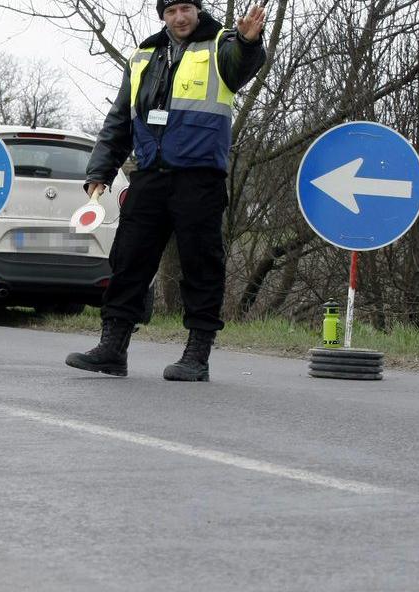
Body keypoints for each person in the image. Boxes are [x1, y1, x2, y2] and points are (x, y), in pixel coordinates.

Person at [65, 0, 267, 382]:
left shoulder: (221, 44)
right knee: (128, 261)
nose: (180, 17)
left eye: (186, 8)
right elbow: (120, 119)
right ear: (163, 16)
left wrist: (248, 42)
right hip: (149, 175)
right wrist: (100, 172)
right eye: (172, 10)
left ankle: (197, 354)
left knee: (201, 265)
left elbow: (241, 67)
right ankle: (112, 348)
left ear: (198, 10)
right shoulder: (143, 55)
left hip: (199, 176)